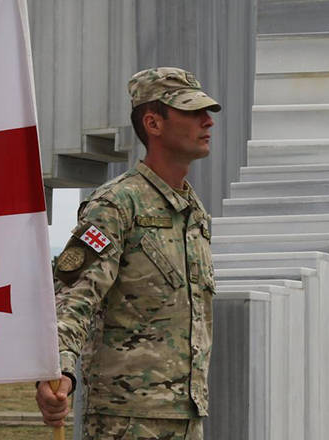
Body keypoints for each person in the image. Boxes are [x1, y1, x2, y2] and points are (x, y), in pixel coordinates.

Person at [35, 67, 221, 439]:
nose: (207, 122)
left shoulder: (195, 213)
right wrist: (60, 371)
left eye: (207, 112)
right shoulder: (116, 205)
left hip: (186, 417)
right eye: (191, 111)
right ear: (153, 123)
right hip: (125, 422)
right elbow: (73, 298)